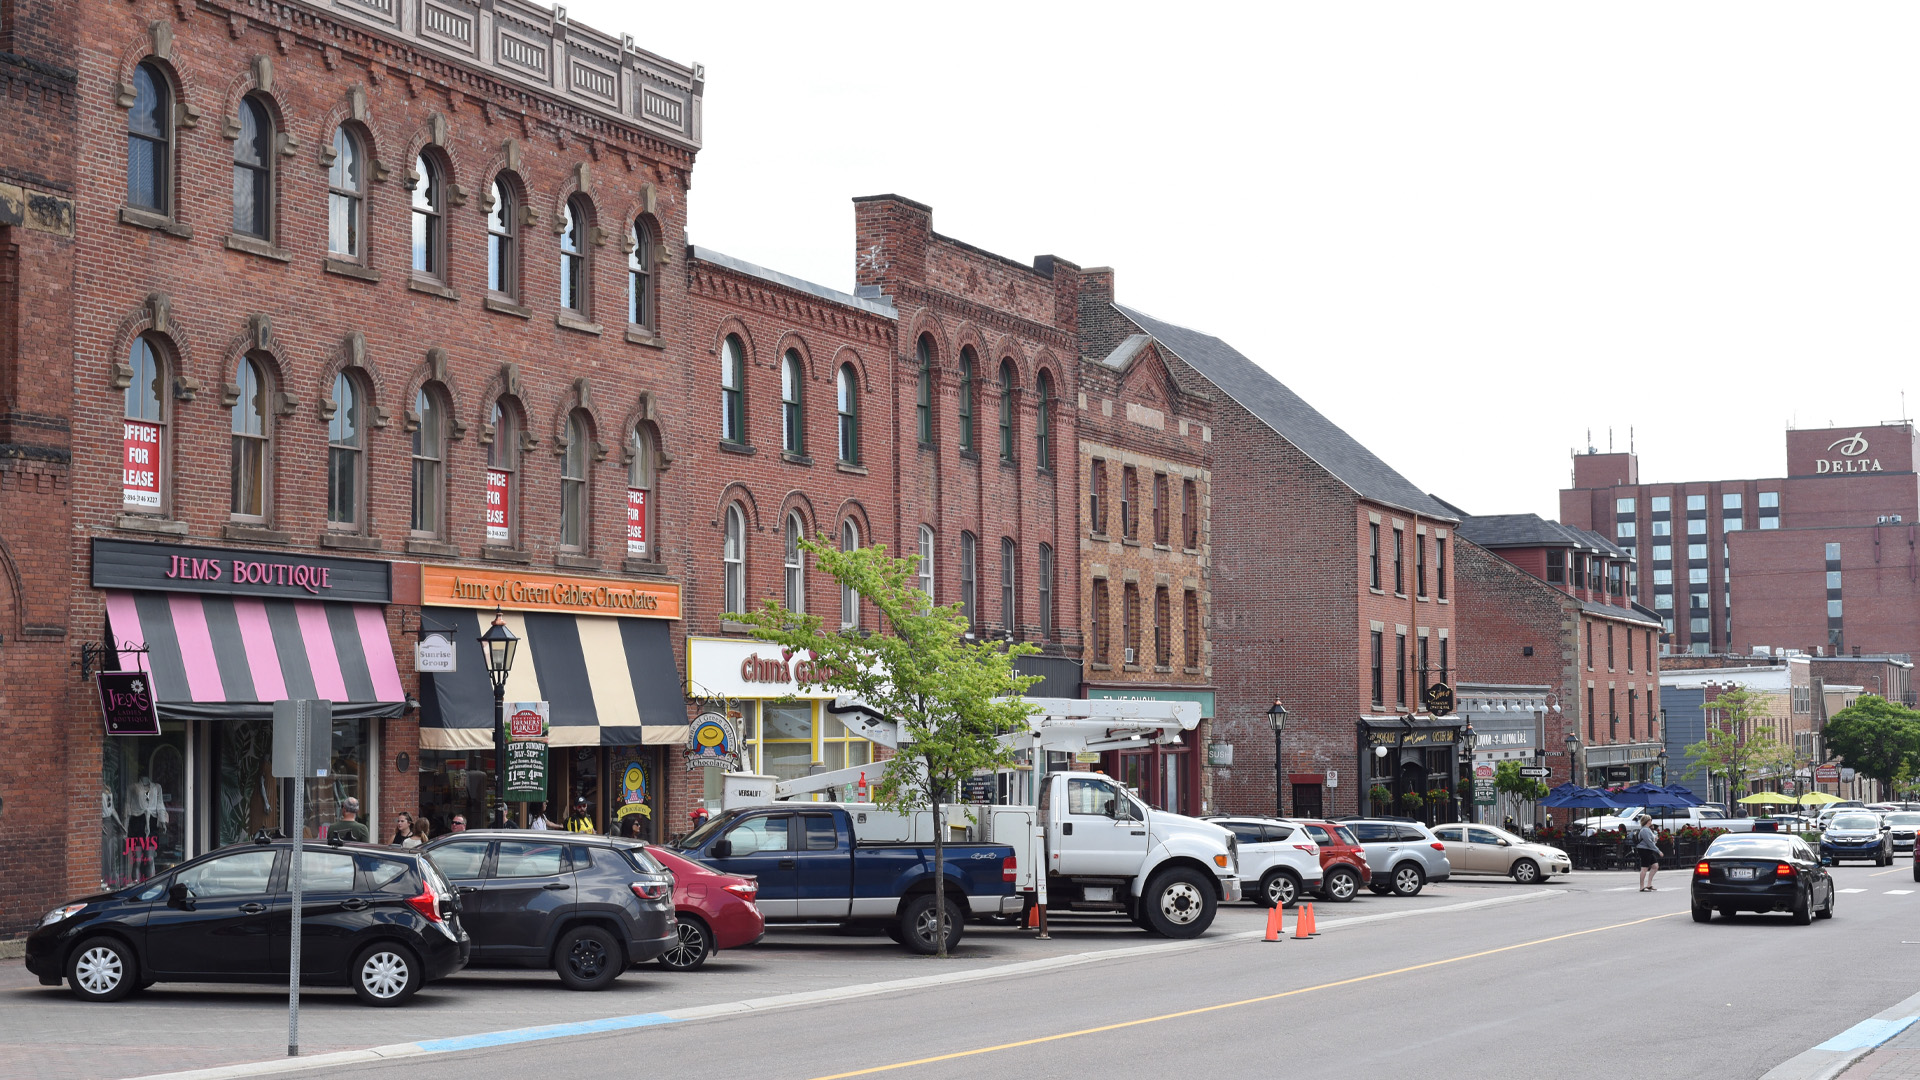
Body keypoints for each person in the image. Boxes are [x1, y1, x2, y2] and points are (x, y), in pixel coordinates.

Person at [1634, 814, 1662, 891]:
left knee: (1655, 866)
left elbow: (1652, 840)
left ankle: (1649, 884)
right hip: (1644, 850)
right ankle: (1642, 886)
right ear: (1647, 821)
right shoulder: (1645, 830)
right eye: (1650, 820)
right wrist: (1658, 851)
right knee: (1644, 868)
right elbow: (1649, 842)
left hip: (1648, 850)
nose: (1651, 821)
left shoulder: (1647, 829)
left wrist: (1655, 839)